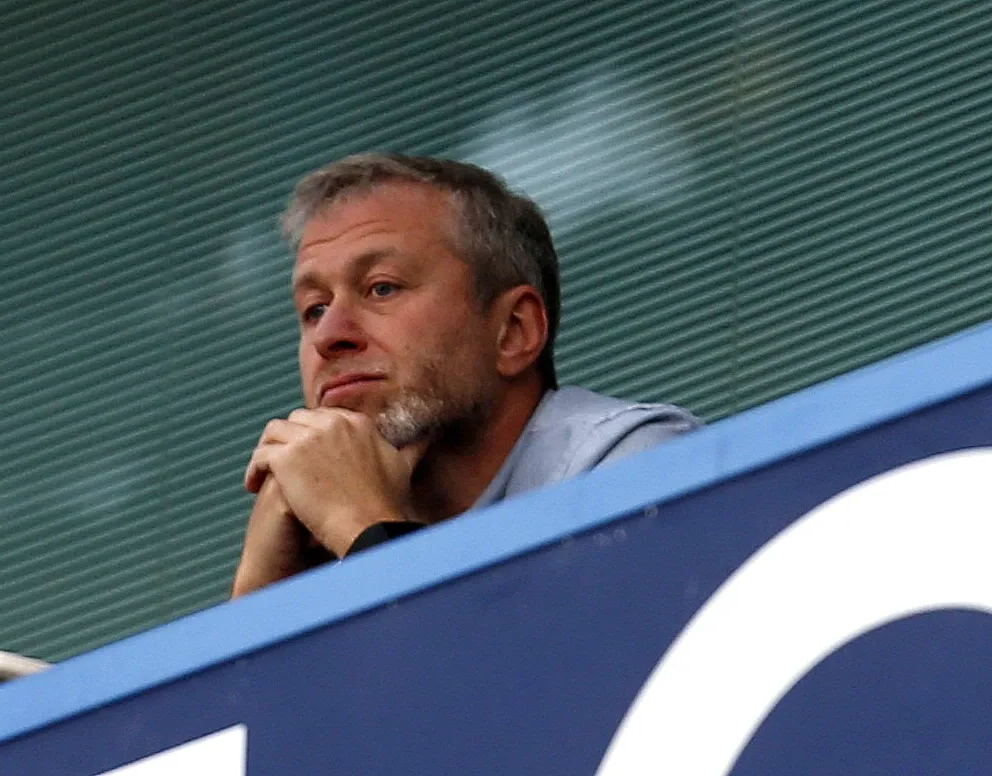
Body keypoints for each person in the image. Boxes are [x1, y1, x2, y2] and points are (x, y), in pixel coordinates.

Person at [231, 154, 699, 597]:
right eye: (314, 310)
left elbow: (543, 677)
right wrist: (260, 591)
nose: (328, 336)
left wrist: (367, 530)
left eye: (381, 288)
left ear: (512, 332)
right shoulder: (324, 552)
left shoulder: (634, 466)